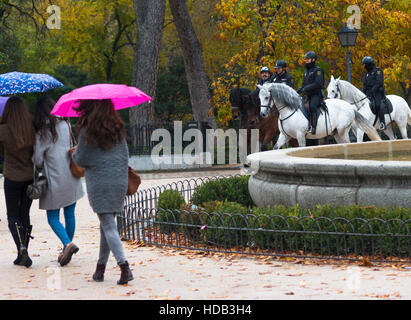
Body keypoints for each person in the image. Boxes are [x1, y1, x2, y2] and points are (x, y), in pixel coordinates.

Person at [72, 99, 133, 285]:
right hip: (119, 181)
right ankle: (100, 269)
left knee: (108, 225)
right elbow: (125, 156)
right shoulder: (118, 130)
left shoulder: (87, 132)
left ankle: (124, 267)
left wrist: (74, 152)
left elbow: (80, 159)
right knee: (107, 225)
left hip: (99, 183)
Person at [32, 96, 85, 266]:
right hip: (72, 175)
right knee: (70, 214)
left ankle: (67, 244)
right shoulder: (65, 124)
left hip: (54, 179)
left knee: (53, 217)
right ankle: (65, 250)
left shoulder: (43, 132)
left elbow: (38, 160)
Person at [0, 96, 36, 268]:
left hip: (12, 177)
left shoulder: (3, 130)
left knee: (12, 216)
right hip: (29, 177)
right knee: (25, 214)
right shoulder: (32, 127)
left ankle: (21, 248)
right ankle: (23, 252)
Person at [297, 51, 325, 135]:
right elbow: (303, 84)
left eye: (308, 59)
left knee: (312, 106)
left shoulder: (318, 70)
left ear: (313, 60)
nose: (306, 60)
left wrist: (306, 88)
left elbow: (318, 83)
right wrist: (299, 89)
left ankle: (313, 127)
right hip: (307, 94)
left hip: (316, 94)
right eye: (306, 59)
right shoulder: (306, 71)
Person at [361, 56, 386, 131]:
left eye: (365, 64)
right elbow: (365, 85)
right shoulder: (366, 73)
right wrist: (362, 93)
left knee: (378, 104)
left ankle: (382, 123)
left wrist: (371, 91)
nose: (364, 66)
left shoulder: (378, 71)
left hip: (378, 92)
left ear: (369, 64)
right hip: (369, 93)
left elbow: (379, 83)